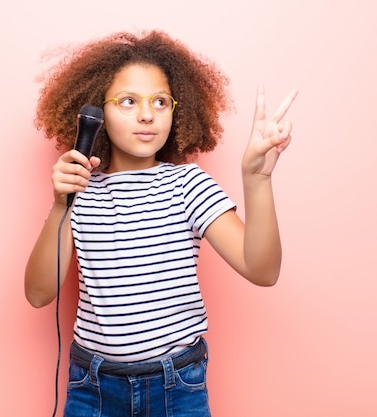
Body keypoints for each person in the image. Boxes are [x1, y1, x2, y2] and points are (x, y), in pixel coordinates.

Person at [25, 30, 297, 417]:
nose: (147, 114)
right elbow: (38, 295)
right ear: (96, 114)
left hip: (176, 386)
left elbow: (262, 269)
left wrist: (257, 180)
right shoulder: (80, 193)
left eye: (159, 101)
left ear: (176, 111)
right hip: (94, 387)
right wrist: (60, 206)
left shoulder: (188, 185)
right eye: (128, 101)